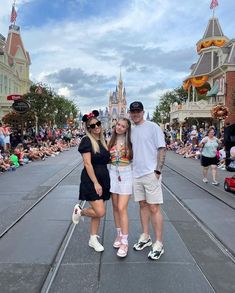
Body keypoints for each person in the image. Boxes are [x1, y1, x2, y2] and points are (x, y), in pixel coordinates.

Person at [129, 101, 166, 261]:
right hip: (136, 174)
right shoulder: (131, 130)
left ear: (143, 112)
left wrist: (158, 170)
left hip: (151, 173)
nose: (135, 114)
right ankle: (146, 236)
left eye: (138, 111)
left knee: (154, 207)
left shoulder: (153, 127)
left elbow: (162, 148)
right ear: (130, 113)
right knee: (142, 205)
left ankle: (159, 243)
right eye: (133, 111)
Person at [72, 110, 110, 252]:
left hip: (104, 177)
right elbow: (87, 163)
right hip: (91, 179)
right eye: (92, 126)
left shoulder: (102, 141)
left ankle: (93, 239)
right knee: (100, 212)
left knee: (97, 210)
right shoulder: (86, 141)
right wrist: (95, 182)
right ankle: (79, 211)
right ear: (88, 128)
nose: (96, 127)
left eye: (98, 124)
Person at [108, 118, 133, 258]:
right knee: (115, 207)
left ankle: (125, 241)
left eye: (123, 126)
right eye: (118, 124)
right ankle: (118, 235)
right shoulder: (110, 140)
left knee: (122, 208)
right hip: (113, 174)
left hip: (126, 174)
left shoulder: (131, 142)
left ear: (127, 129)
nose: (119, 127)